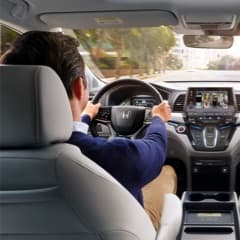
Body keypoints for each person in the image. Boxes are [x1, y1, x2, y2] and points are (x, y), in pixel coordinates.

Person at [1, 31, 177, 231]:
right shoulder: (108, 158)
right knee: (165, 173)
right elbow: (154, 150)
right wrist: (158, 119)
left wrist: (85, 117)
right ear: (79, 86)